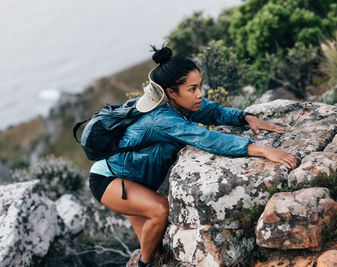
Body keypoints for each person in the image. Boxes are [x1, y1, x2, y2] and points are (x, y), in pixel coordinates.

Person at [88, 45, 297, 266]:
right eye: (192, 89)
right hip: (110, 180)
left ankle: (150, 260)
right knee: (160, 212)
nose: (199, 94)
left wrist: (245, 117)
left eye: (199, 87)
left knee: (158, 250)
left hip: (135, 179)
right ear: (171, 93)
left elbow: (213, 111)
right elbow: (206, 139)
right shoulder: (162, 118)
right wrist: (262, 149)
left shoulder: (178, 104)